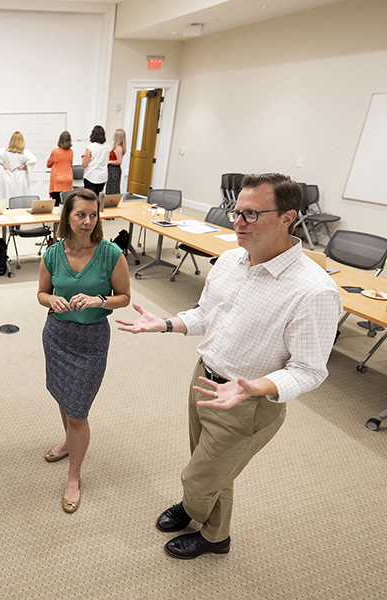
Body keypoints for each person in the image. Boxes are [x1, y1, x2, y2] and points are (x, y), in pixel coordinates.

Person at [117, 173, 341, 559]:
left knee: (199, 477)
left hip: (247, 403)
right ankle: (212, 530)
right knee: (212, 468)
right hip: (204, 378)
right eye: (237, 211)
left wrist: (255, 387)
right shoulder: (230, 260)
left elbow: (310, 370)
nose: (237, 222)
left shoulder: (313, 290)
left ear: (288, 218)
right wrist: (167, 323)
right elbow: (207, 315)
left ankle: (202, 519)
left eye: (251, 215)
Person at [38, 188, 131, 513]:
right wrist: (52, 300)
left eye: (94, 215)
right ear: (67, 216)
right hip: (57, 335)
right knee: (64, 397)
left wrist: (100, 300)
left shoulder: (111, 253)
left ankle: (73, 477)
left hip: (91, 340)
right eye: (81, 215)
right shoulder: (52, 253)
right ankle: (67, 443)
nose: (88, 221)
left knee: (78, 410)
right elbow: (41, 294)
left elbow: (124, 297)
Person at [0, 131, 37, 199]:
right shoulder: (24, 152)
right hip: (20, 177)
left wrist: (2, 163)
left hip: (7, 176)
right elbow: (33, 160)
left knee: (6, 197)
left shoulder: (4, 150)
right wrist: (24, 165)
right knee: (20, 198)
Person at [46, 131, 74, 206]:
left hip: (57, 180)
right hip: (68, 179)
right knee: (66, 202)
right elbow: (70, 164)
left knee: (56, 202)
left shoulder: (55, 152)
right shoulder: (71, 152)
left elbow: (48, 164)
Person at [81, 125, 110, 195]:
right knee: (97, 197)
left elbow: (85, 164)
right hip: (102, 177)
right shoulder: (107, 146)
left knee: (89, 198)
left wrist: (83, 157)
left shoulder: (90, 147)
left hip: (91, 176)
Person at [106, 129, 126, 195]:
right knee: (110, 188)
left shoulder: (118, 147)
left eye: (114, 135)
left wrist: (108, 162)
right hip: (111, 170)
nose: (113, 136)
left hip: (114, 170)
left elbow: (119, 161)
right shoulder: (116, 147)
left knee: (113, 189)